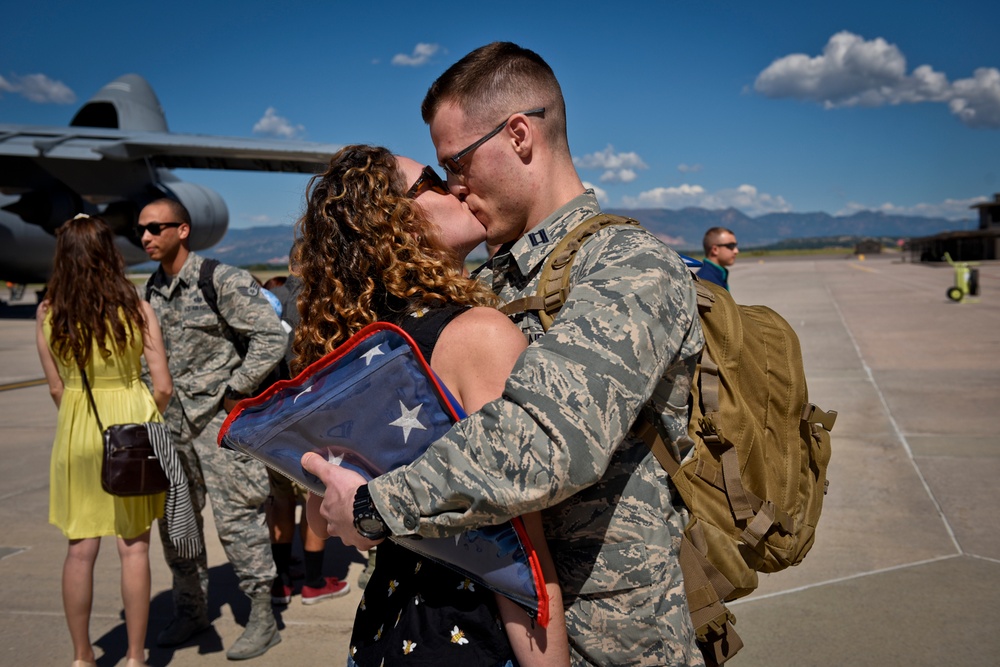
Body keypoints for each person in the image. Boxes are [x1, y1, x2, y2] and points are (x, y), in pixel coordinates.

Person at [302, 43, 706, 666]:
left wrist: (374, 505)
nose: (455, 187)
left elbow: (545, 440)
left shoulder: (630, 268)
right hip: (497, 628)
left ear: (519, 135)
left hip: (614, 636)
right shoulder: (488, 287)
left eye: (455, 164)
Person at [295, 145, 568, 666]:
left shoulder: (360, 351)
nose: (458, 186)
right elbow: (519, 542)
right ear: (396, 221)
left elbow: (325, 514)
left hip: (385, 632)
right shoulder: (479, 335)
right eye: (436, 182)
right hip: (472, 635)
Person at [139, 198, 289, 660]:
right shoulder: (153, 288)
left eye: (154, 228)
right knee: (177, 526)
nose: (145, 237)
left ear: (182, 230)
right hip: (173, 428)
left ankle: (263, 616)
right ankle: (191, 609)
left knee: (238, 521)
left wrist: (236, 389)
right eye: (140, 230)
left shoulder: (220, 280)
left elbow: (271, 335)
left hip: (220, 427)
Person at [36, 214, 173, 667]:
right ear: (108, 254)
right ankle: (136, 657)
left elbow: (56, 387)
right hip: (130, 430)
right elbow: (164, 386)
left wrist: (79, 420)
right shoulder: (137, 308)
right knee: (133, 546)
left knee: (80, 549)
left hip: (77, 429)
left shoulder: (49, 312)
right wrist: (138, 414)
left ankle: (82, 657)